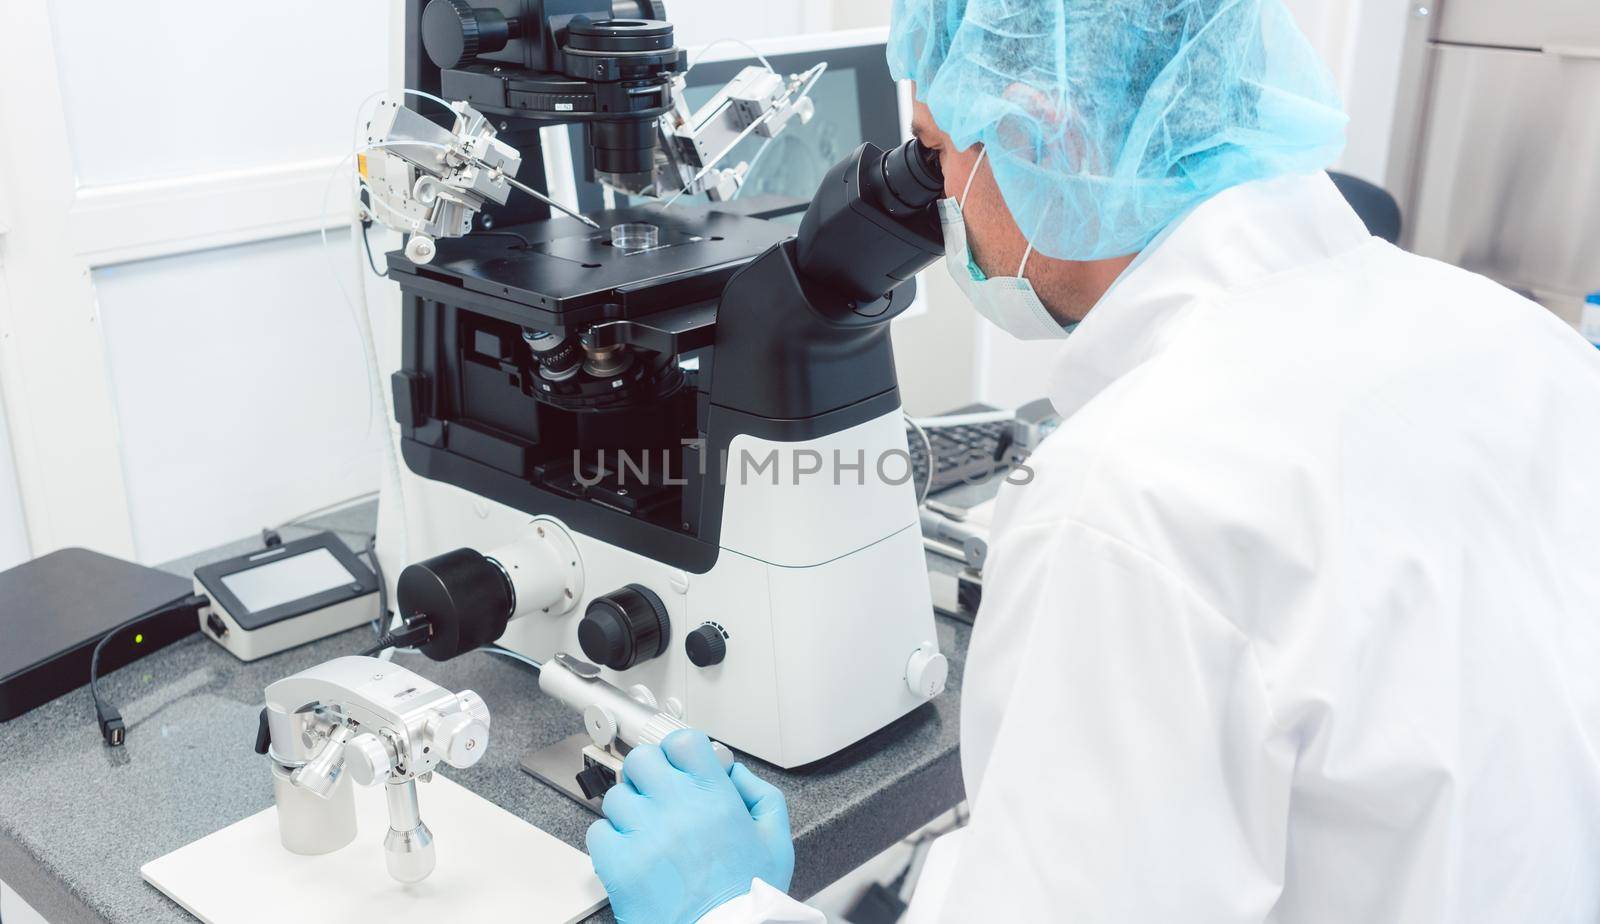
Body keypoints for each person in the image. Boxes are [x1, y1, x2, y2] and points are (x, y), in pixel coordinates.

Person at [585, 1, 1600, 921]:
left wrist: (722, 913)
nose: (933, 199)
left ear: (1043, 135)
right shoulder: (1517, 342)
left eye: (936, 153)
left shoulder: (1133, 499)